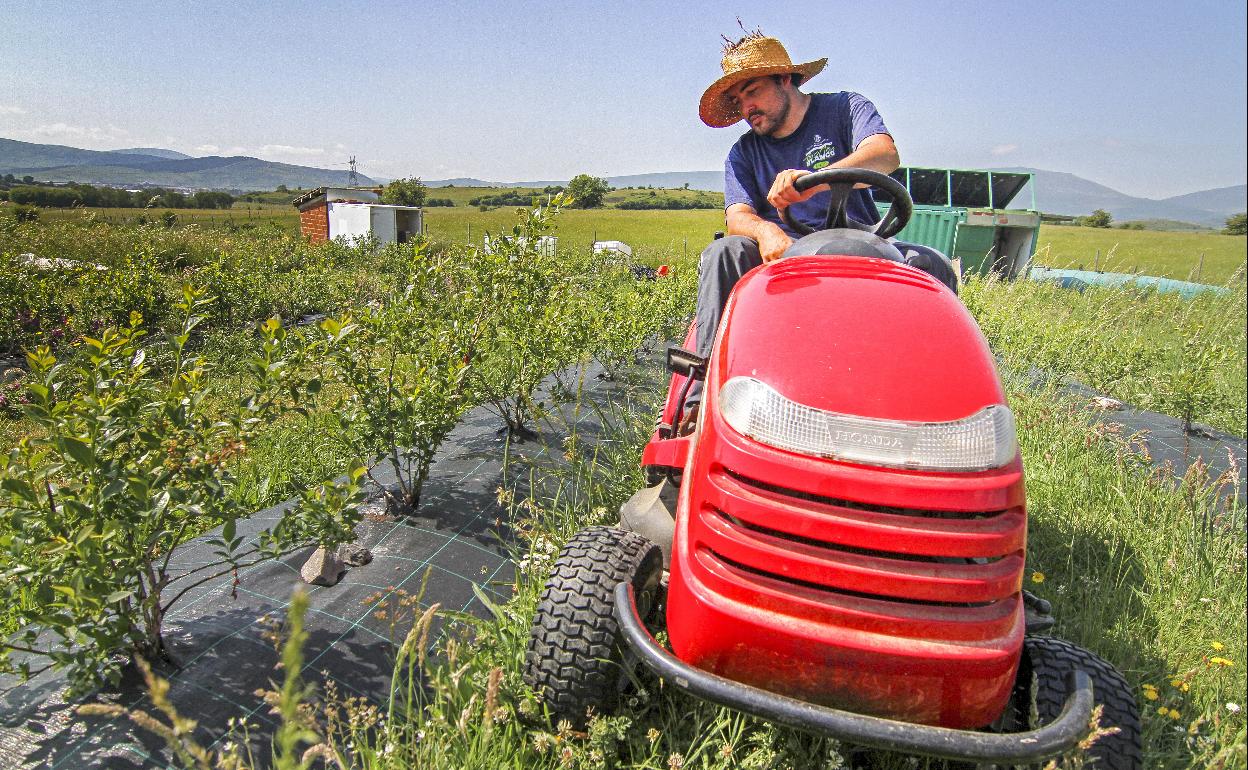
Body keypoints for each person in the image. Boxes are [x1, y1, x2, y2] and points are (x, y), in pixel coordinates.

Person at [681, 31, 954, 428]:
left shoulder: (845, 108)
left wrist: (819, 177)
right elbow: (737, 214)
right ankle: (698, 398)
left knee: (933, 266)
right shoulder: (744, 151)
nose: (746, 107)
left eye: (752, 91)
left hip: (861, 244)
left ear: (786, 79)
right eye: (738, 101)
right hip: (785, 252)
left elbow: (884, 154)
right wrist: (765, 232)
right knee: (724, 252)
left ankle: (934, 405)